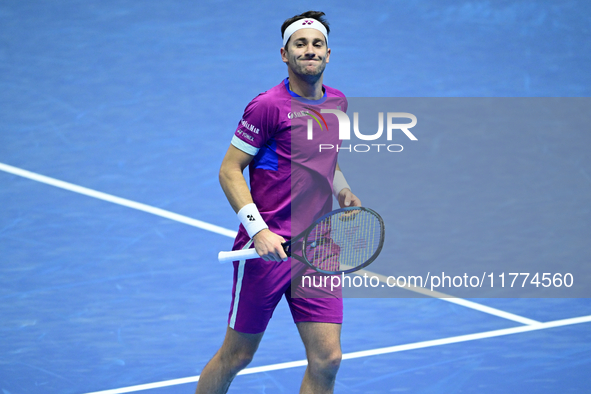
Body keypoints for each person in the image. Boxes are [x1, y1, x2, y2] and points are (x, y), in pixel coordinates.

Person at [196, 11, 361, 394]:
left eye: (316, 44)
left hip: (318, 247)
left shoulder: (337, 103)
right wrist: (259, 231)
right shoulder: (267, 106)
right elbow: (229, 170)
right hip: (267, 250)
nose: (309, 51)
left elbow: (324, 160)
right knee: (237, 356)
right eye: (300, 44)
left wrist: (342, 190)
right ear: (284, 55)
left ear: (328, 54)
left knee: (327, 359)